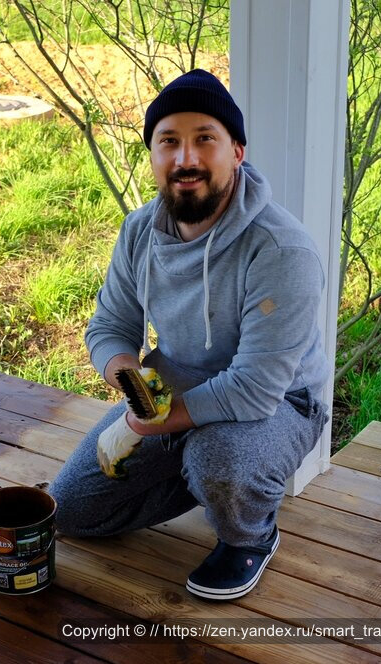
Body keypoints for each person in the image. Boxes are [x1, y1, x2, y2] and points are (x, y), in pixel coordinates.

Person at [49, 69, 329, 601]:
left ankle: (249, 534)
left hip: (282, 401)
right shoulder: (139, 231)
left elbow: (255, 387)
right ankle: (196, 470)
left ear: (237, 152)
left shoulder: (280, 251)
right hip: (172, 385)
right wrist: (140, 394)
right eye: (168, 142)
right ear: (153, 155)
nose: (186, 159)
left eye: (205, 138)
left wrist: (155, 423)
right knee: (74, 509)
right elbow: (110, 327)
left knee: (218, 461)